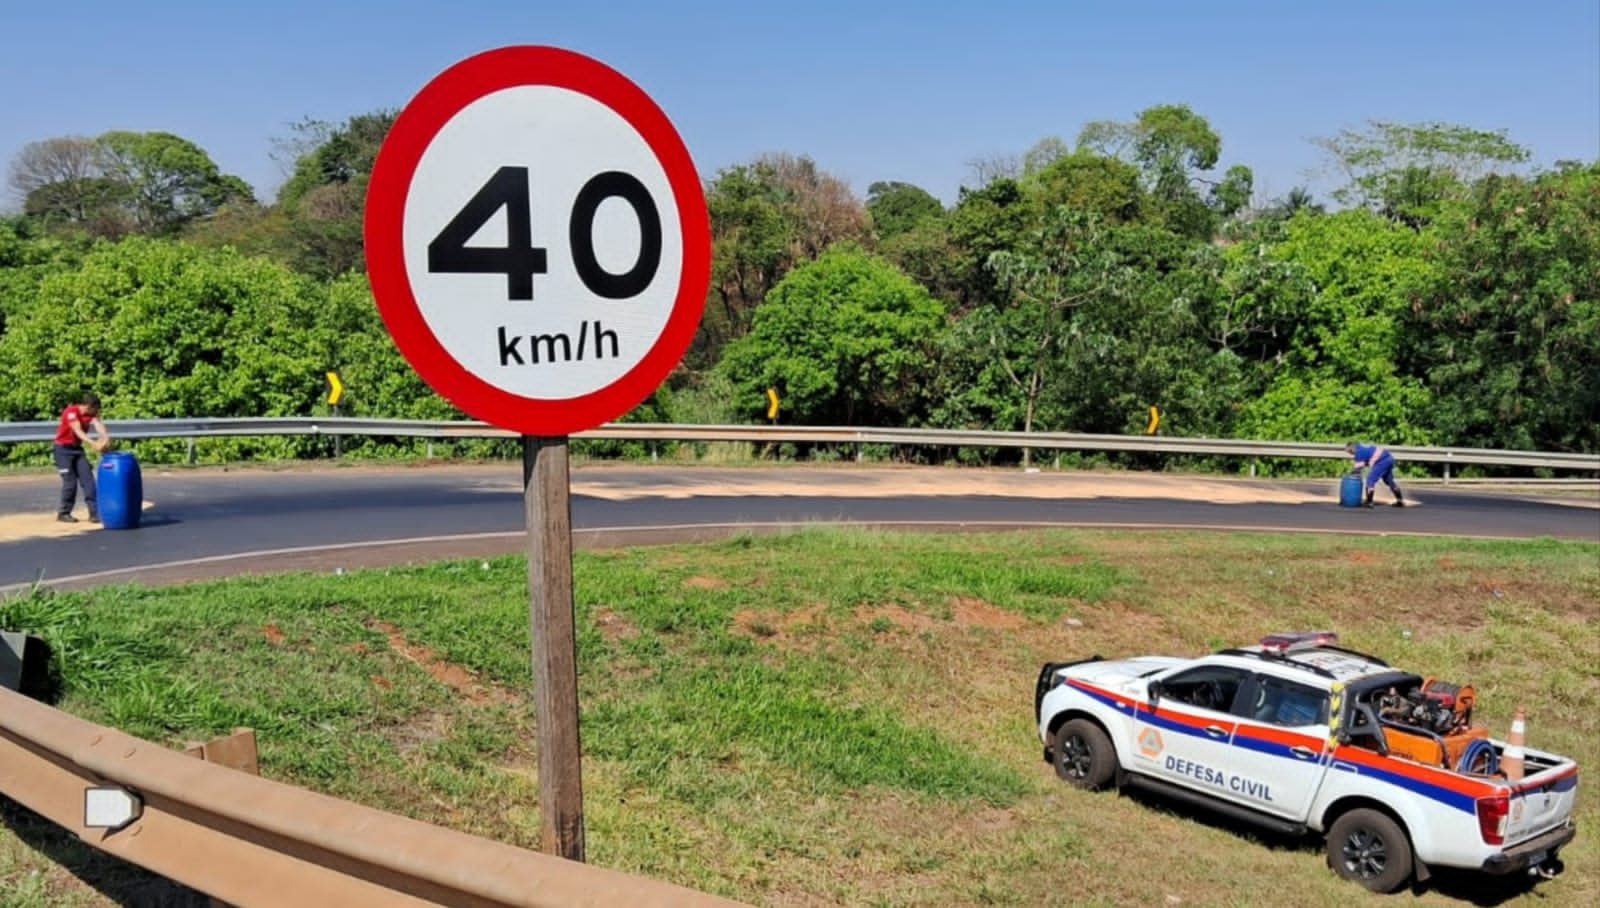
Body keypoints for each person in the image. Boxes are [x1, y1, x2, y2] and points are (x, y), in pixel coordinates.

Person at [53, 393, 111, 523]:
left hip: (77, 450)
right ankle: (63, 513)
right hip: (62, 450)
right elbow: (77, 431)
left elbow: (98, 425)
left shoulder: (91, 414)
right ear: (89, 406)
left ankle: (94, 514)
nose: (97, 412)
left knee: (88, 480)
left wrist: (105, 438)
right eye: (95, 408)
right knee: (70, 483)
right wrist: (94, 443)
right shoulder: (71, 412)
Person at [1346, 441, 1404, 508]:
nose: (1350, 454)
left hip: (1382, 461)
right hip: (1389, 458)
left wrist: (1352, 474)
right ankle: (1400, 501)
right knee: (1389, 481)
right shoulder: (1364, 449)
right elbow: (1367, 462)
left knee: (1370, 480)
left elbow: (1357, 469)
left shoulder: (1359, 453)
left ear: (1353, 449)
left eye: (1349, 452)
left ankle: (1369, 502)